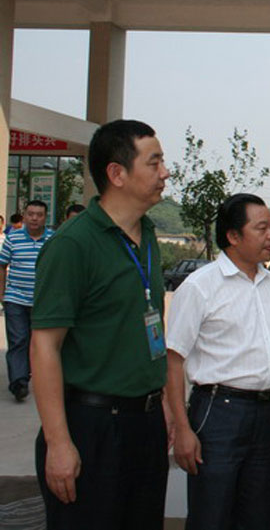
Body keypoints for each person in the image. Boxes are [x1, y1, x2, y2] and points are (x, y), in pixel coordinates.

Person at [31, 120, 171, 529]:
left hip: (143, 424)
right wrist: (59, 443)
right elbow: (44, 348)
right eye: (155, 162)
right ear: (117, 174)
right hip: (92, 426)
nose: (165, 172)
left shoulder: (146, 235)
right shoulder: (73, 245)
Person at [166, 194, 270, 529]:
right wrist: (182, 428)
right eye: (261, 228)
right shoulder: (201, 287)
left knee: (256, 513)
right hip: (218, 414)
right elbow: (173, 360)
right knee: (211, 514)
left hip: (267, 412)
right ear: (233, 236)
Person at [0, 199, 54, 401]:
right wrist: (2, 294)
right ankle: (19, 382)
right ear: (24, 216)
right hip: (15, 298)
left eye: (39, 215)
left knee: (37, 342)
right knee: (18, 339)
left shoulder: (53, 239)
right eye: (30, 214)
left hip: (42, 301)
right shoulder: (13, 238)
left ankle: (29, 372)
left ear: (45, 218)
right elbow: (2, 266)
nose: (34, 218)